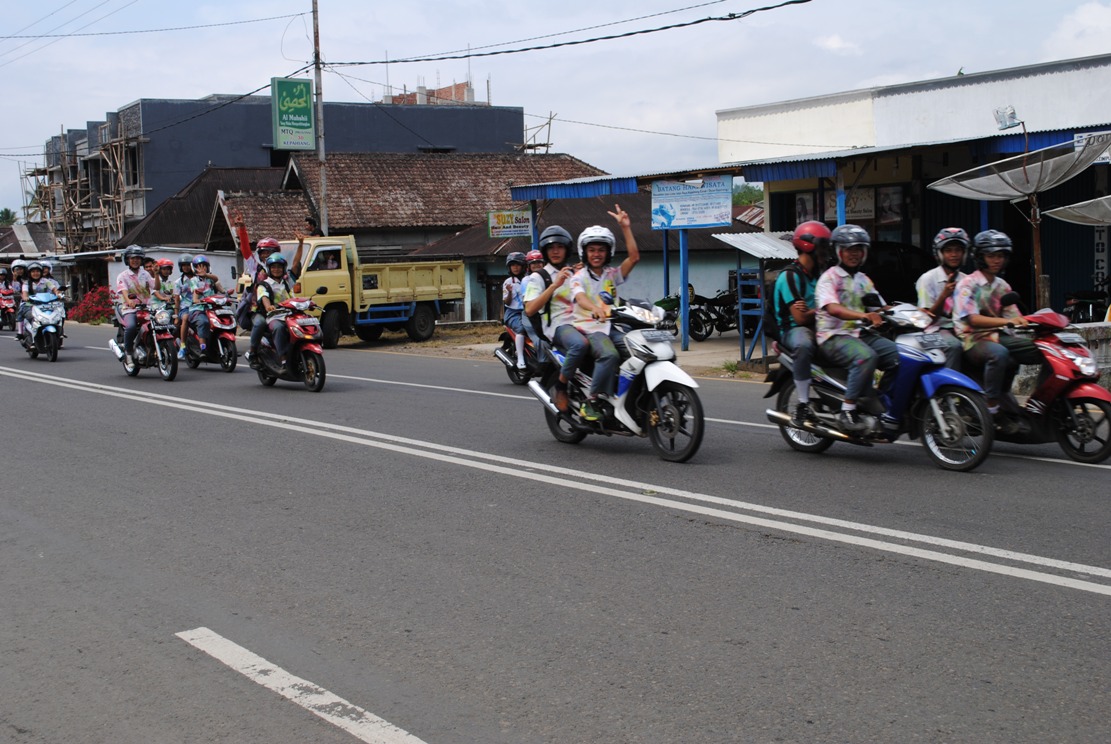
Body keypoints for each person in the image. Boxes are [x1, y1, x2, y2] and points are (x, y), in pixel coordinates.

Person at [814, 224, 901, 433]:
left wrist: (910, 312)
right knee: (866, 357)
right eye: (849, 249)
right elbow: (833, 308)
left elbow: (880, 307)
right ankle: (848, 409)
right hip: (833, 336)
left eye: (858, 249)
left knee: (900, 356)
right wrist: (864, 315)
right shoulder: (829, 278)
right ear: (838, 251)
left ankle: (875, 399)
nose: (854, 254)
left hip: (860, 334)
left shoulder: (863, 280)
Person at [952, 229, 1041, 419]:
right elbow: (971, 319)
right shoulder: (968, 284)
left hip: (998, 337)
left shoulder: (1002, 286)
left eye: (1000, 255)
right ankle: (990, 404)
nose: (996, 260)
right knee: (1000, 354)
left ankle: (1041, 401)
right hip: (972, 339)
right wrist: (1008, 321)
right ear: (980, 257)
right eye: (991, 255)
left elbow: (1013, 316)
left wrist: (1034, 322)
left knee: (1041, 350)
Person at [568, 205, 640, 421]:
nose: (596, 254)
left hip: (613, 327)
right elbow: (580, 298)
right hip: (589, 328)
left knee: (638, 352)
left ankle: (630, 397)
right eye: (592, 250)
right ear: (585, 253)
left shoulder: (612, 274)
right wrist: (595, 308)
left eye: (601, 250)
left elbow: (634, 258)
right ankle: (592, 400)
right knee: (610, 354)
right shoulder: (578, 277)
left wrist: (625, 227)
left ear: (608, 252)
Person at [523, 225, 588, 413]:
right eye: (551, 248)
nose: (556, 251)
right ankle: (561, 387)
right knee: (579, 345)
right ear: (545, 251)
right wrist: (554, 285)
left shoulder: (574, 273)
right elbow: (529, 309)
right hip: (558, 327)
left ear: (567, 249)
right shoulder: (538, 277)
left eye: (559, 246)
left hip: (582, 323)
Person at [772, 221, 830, 425]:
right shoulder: (789, 276)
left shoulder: (821, 275)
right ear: (808, 247)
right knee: (804, 345)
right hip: (793, 330)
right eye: (822, 247)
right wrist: (825, 307)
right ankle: (803, 404)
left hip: (819, 325)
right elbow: (800, 318)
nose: (826, 252)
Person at [915, 227, 969, 370]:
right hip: (934, 331)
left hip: (962, 329)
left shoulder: (967, 280)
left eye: (958, 250)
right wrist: (944, 296)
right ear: (940, 254)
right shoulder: (928, 279)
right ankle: (950, 388)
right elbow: (926, 320)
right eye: (948, 250)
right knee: (954, 346)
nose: (954, 255)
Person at [114, 246, 157, 366]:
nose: (135, 260)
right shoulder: (123, 276)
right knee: (131, 326)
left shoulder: (146, 274)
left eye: (138, 258)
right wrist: (129, 301)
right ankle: (128, 353)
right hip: (130, 308)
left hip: (147, 308)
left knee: (161, 324)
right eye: (132, 258)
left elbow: (156, 287)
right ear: (127, 260)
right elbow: (124, 291)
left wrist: (157, 274)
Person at [256, 253, 296, 371]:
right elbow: (264, 297)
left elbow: (293, 298)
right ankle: (283, 359)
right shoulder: (264, 285)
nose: (276, 269)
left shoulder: (287, 284)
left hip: (289, 315)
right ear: (269, 269)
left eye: (279, 267)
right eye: (273, 267)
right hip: (274, 317)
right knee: (279, 328)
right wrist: (269, 306)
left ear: (283, 268)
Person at [182, 255, 226, 359]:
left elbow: (217, 280)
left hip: (212, 308)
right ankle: (203, 347)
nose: (202, 268)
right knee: (203, 322)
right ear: (194, 268)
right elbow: (195, 296)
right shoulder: (193, 280)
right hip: (198, 309)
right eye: (199, 266)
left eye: (204, 266)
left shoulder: (210, 279)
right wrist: (199, 300)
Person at [174, 254, 195, 351]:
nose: (186, 267)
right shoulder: (179, 282)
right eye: (184, 265)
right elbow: (177, 299)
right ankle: (182, 345)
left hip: (200, 306)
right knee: (186, 318)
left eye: (188, 265)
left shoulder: (199, 278)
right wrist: (176, 316)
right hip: (185, 308)